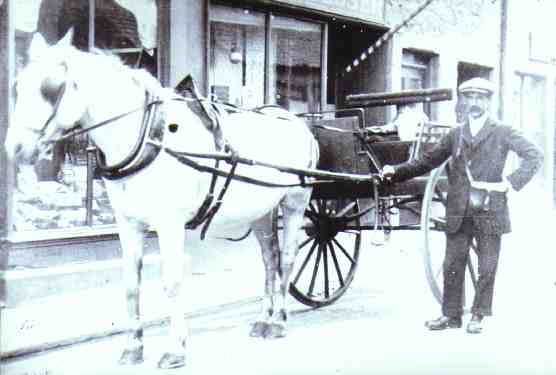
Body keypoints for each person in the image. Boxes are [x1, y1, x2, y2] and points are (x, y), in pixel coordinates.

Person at [382, 77, 543, 334]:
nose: (474, 103)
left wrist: (510, 183)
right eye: (469, 98)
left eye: (480, 98)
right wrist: (395, 171)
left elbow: (535, 154)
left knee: (487, 266)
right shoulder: (455, 134)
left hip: (490, 207)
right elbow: (427, 161)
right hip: (459, 209)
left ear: (488, 101)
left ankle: (478, 315)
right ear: (463, 101)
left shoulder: (502, 131)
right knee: (452, 264)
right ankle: (451, 315)